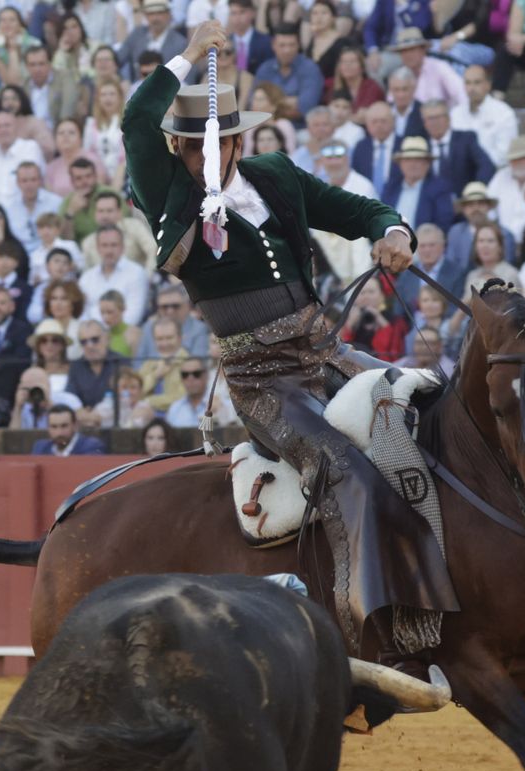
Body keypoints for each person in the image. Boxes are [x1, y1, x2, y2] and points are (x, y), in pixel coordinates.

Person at [124, 19, 456, 664]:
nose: (202, 156)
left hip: (326, 354)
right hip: (262, 382)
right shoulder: (168, 194)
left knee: (431, 411)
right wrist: (189, 54)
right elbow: (137, 119)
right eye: (191, 146)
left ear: (237, 141)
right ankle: (361, 641)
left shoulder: (274, 174)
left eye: (215, 143)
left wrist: (394, 231)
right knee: (343, 469)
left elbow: (356, 211)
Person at [31, 402, 106, 455]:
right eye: (54, 426)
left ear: (75, 425)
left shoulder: (91, 446)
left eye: (64, 426)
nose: (59, 432)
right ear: (48, 427)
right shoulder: (40, 448)